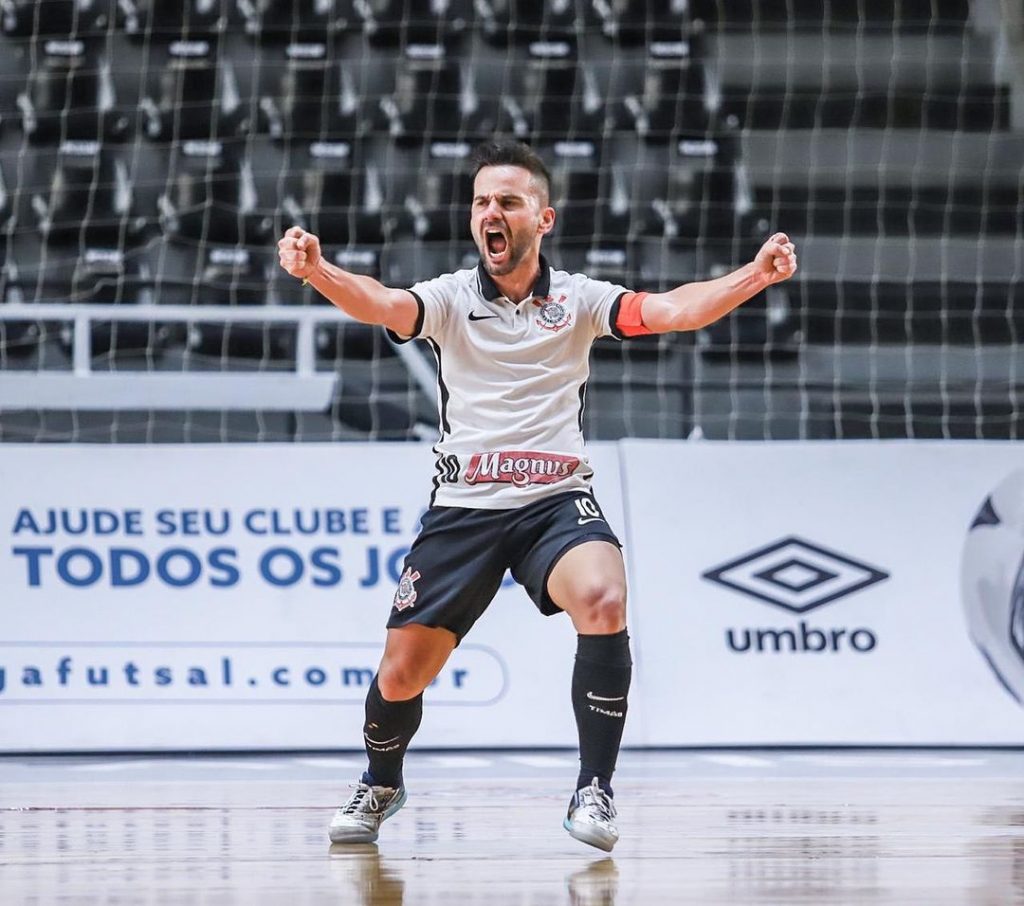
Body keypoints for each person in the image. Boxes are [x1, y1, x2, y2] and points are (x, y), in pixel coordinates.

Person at [278, 138, 797, 852]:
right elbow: (381, 303)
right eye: (481, 202)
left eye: (508, 202)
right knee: (401, 674)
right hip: (464, 510)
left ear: (542, 219)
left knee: (604, 597)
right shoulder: (451, 299)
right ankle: (381, 782)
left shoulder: (580, 300)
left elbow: (674, 311)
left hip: (555, 501)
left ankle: (596, 789)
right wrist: (318, 271)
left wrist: (752, 277)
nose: (491, 213)